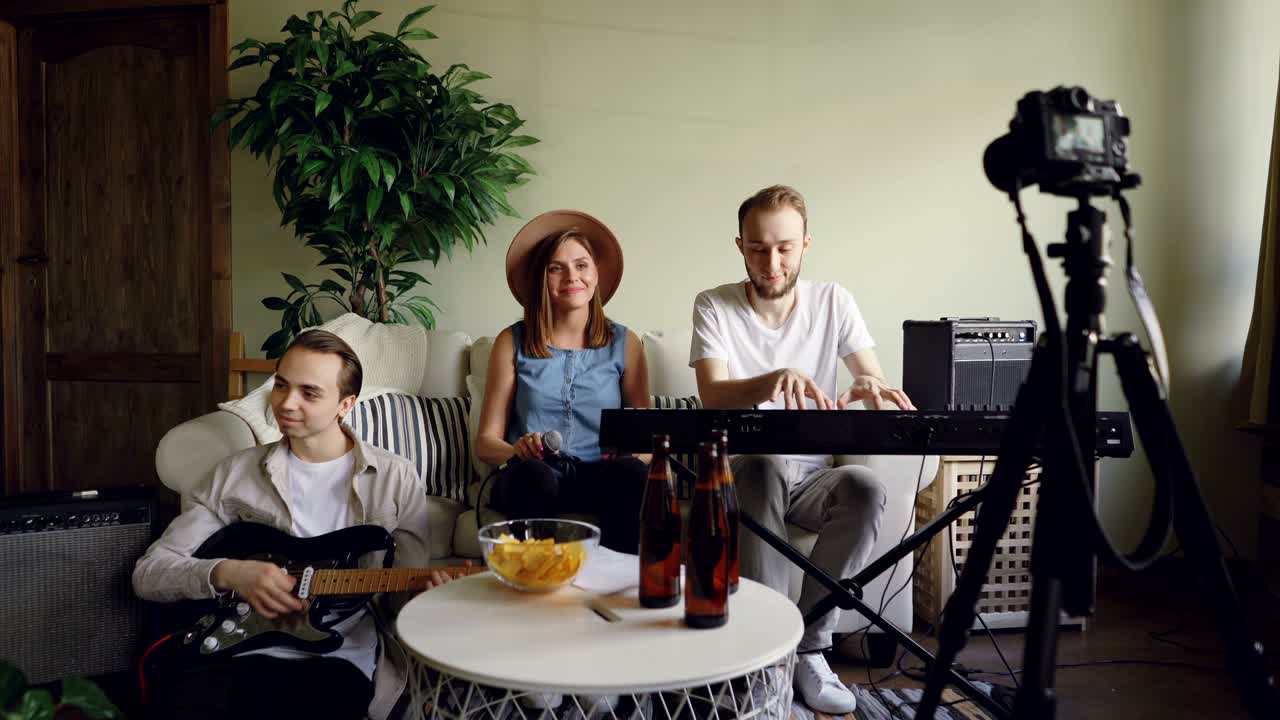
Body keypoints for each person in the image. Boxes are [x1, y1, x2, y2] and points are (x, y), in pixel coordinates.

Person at [133, 330, 448, 720]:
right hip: (237, 647)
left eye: (309, 393)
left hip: (339, 656)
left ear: (345, 404)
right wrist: (230, 572)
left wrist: (427, 597)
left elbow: (403, 590)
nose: (286, 403)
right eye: (281, 385)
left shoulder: (395, 478)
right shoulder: (234, 475)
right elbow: (149, 574)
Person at [689, 185, 915, 714]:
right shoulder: (714, 304)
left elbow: (872, 380)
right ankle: (764, 657)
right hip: (746, 468)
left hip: (813, 477)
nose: (772, 262)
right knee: (763, 465)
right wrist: (771, 381)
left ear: (805, 244)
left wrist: (871, 391)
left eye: (785, 247)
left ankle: (809, 648)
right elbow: (713, 396)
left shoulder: (834, 300)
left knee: (865, 486)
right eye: (759, 248)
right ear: (740, 245)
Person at [475, 210, 651, 555]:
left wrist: (629, 454)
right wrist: (517, 450)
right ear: (543, 278)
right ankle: (536, 583)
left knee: (630, 473)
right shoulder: (511, 342)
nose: (572, 276)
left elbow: (646, 444)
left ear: (596, 273)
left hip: (600, 476)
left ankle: (615, 583)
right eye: (557, 268)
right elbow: (485, 443)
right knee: (534, 476)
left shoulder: (626, 343)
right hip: (534, 476)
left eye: (582, 265)